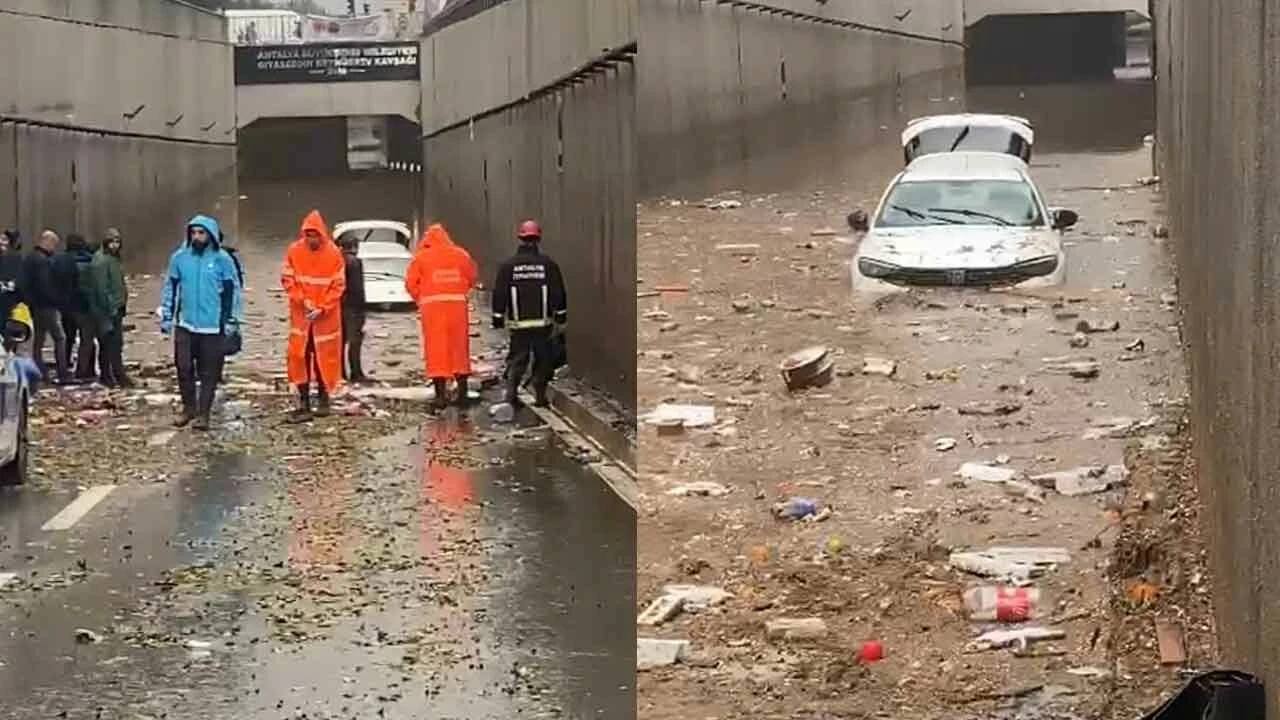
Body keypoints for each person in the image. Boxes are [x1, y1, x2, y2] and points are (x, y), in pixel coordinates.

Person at [159, 215, 243, 430]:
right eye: (194, 233)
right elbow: (170, 287)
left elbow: (233, 292)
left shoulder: (223, 260)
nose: (197, 237)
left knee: (209, 372)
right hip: (185, 323)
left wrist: (232, 320)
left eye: (201, 233)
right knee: (183, 367)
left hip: (212, 326)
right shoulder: (179, 258)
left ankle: (204, 414)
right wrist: (166, 315)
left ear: (211, 235)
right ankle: (189, 408)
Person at [491, 219, 568, 408]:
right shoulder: (548, 265)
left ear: (520, 238)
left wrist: (498, 317)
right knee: (543, 360)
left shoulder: (509, 266)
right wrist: (561, 316)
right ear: (538, 239)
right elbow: (558, 291)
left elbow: (500, 292)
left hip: (519, 325)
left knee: (518, 359)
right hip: (543, 324)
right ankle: (540, 396)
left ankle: (511, 395)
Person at [280, 210, 345, 423]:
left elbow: (338, 286)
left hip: (324, 319)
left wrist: (322, 308)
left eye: (315, 235)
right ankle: (304, 402)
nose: (311, 239)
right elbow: (288, 280)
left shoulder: (334, 254)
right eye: (308, 235)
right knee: (299, 358)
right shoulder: (294, 251)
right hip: (302, 317)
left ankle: (324, 400)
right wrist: (303, 300)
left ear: (321, 234)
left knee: (323, 360)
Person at [404, 223, 477, 413]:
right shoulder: (461, 255)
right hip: (457, 308)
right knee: (459, 349)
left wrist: (422, 298)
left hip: (432, 310)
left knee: (436, 350)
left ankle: (440, 396)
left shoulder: (421, 258)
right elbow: (471, 277)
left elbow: (410, 284)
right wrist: (459, 291)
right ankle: (462, 394)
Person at [86, 228, 131, 387]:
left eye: (117, 242)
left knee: (115, 344)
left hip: (116, 308)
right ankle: (109, 375)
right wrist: (111, 307)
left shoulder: (114, 259)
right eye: (112, 242)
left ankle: (116, 374)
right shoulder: (100, 261)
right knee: (108, 343)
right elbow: (101, 288)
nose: (115, 245)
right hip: (105, 311)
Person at [24, 230, 68, 383]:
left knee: (38, 341)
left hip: (35, 305)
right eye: (54, 244)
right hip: (47, 306)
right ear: (47, 242)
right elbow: (45, 285)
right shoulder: (43, 261)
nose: (54, 248)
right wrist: (57, 300)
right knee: (60, 338)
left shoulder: (30, 258)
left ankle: (40, 371)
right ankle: (62, 372)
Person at [53, 233, 97, 381]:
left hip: (65, 306)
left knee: (67, 339)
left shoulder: (59, 260)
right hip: (83, 306)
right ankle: (84, 371)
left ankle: (63, 368)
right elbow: (90, 287)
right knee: (87, 340)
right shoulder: (89, 261)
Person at [337, 233, 368, 383]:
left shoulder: (336, 261)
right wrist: (362, 308)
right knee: (355, 341)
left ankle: (340, 373)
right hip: (353, 308)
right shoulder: (355, 262)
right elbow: (357, 288)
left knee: (340, 341)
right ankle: (356, 373)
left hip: (338, 306)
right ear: (355, 246)